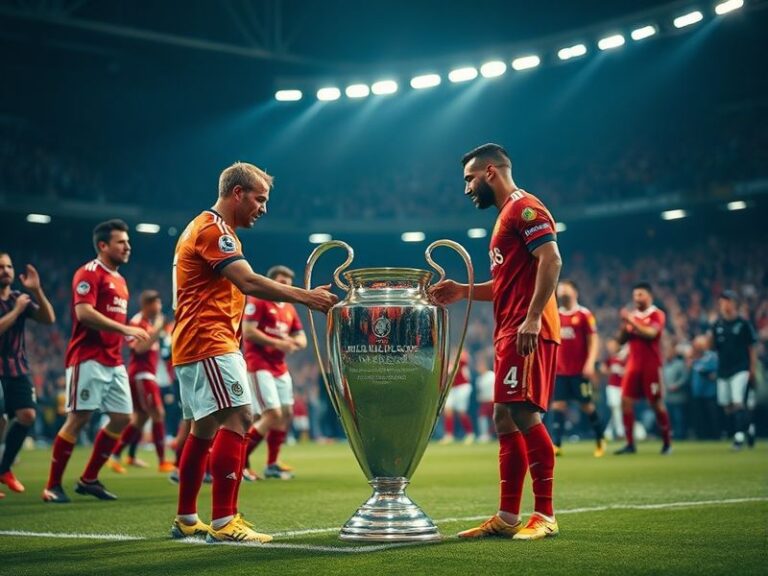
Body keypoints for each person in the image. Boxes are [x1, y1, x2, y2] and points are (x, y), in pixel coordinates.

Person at [171, 162, 337, 543]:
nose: (263, 208)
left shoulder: (206, 227)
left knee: (204, 429)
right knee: (242, 417)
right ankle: (225, 521)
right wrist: (305, 297)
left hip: (198, 341)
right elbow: (246, 280)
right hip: (208, 340)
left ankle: (186, 517)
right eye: (260, 199)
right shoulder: (215, 230)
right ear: (238, 194)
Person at [430, 143, 562, 540]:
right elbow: (506, 283)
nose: (467, 187)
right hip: (510, 327)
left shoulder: (524, 208)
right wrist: (463, 289)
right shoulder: (504, 216)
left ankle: (545, 515)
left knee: (524, 414)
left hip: (527, 328)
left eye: (470, 178)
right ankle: (507, 516)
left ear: (490, 172)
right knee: (503, 416)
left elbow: (552, 259)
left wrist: (533, 317)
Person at [42, 219, 150, 503]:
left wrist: (124, 336)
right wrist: (126, 329)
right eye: (121, 242)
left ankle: (89, 479)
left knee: (123, 417)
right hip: (87, 358)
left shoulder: (121, 280)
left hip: (113, 360)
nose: (128, 246)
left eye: (127, 241)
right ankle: (52, 485)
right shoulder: (89, 273)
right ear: (103, 246)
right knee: (79, 418)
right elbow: (84, 313)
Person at [241, 265, 306, 481]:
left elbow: (302, 339)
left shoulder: (288, 307)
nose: (285, 286)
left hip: (279, 367)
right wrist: (279, 342)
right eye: (281, 281)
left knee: (286, 414)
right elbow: (248, 331)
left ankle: (272, 464)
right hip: (259, 364)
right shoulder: (258, 300)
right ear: (271, 282)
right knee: (271, 415)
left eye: (288, 283)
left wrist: (292, 342)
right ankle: (239, 463)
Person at [0, 252, 56, 494]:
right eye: (0, 267)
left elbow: (49, 318)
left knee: (28, 415)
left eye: (9, 266)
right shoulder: (17, 305)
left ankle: (4, 469)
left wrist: (37, 291)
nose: (6, 270)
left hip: (17, 367)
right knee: (0, 420)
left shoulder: (18, 297)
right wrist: (16, 312)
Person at [107, 290, 175, 473]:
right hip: (141, 376)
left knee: (141, 418)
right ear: (147, 305)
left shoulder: (148, 323)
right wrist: (158, 329)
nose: (160, 307)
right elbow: (139, 348)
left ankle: (121, 455)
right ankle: (162, 461)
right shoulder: (137, 323)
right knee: (158, 413)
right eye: (156, 304)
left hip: (147, 375)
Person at [549, 280, 605, 457]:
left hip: (579, 371)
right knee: (558, 405)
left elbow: (593, 340)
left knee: (587, 405)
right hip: (560, 371)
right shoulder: (554, 314)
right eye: (560, 290)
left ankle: (600, 439)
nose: (562, 293)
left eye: (566, 290)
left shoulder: (584, 314)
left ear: (575, 292)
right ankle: (557, 444)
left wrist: (590, 362)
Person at [615, 282, 672, 455]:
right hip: (633, 364)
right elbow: (621, 341)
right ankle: (630, 444)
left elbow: (652, 334)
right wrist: (625, 326)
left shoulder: (657, 314)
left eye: (640, 295)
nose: (636, 299)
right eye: (635, 296)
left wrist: (632, 321)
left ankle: (667, 442)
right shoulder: (632, 315)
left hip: (651, 365)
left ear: (649, 296)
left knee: (656, 403)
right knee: (625, 401)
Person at [709, 290, 758, 450]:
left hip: (740, 368)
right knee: (727, 407)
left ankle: (738, 437)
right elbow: (714, 347)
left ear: (734, 304)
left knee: (738, 402)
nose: (724, 304)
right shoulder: (717, 325)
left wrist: (752, 368)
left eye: (728, 301)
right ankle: (748, 428)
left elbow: (751, 347)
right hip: (723, 369)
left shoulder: (743, 324)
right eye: (722, 301)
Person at [687, 335, 720, 440]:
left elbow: (714, 372)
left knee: (712, 415)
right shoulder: (694, 358)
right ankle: (701, 435)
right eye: (695, 344)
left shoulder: (712, 356)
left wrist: (709, 373)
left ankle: (716, 435)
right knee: (699, 416)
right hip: (697, 391)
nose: (697, 347)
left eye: (699, 344)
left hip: (709, 392)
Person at [441, 349, 475, 444]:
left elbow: (463, 361)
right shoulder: (449, 364)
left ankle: (470, 434)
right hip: (452, 389)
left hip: (462, 387)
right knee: (448, 410)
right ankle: (448, 435)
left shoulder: (462, 362)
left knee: (461, 412)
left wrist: (461, 355)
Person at [601, 338, 627, 440]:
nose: (610, 348)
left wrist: (621, 370)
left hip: (623, 386)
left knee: (619, 409)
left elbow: (629, 370)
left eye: (612, 345)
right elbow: (604, 370)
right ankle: (620, 432)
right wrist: (609, 370)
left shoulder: (624, 357)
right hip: (612, 386)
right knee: (615, 407)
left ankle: (608, 431)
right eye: (609, 346)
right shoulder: (609, 358)